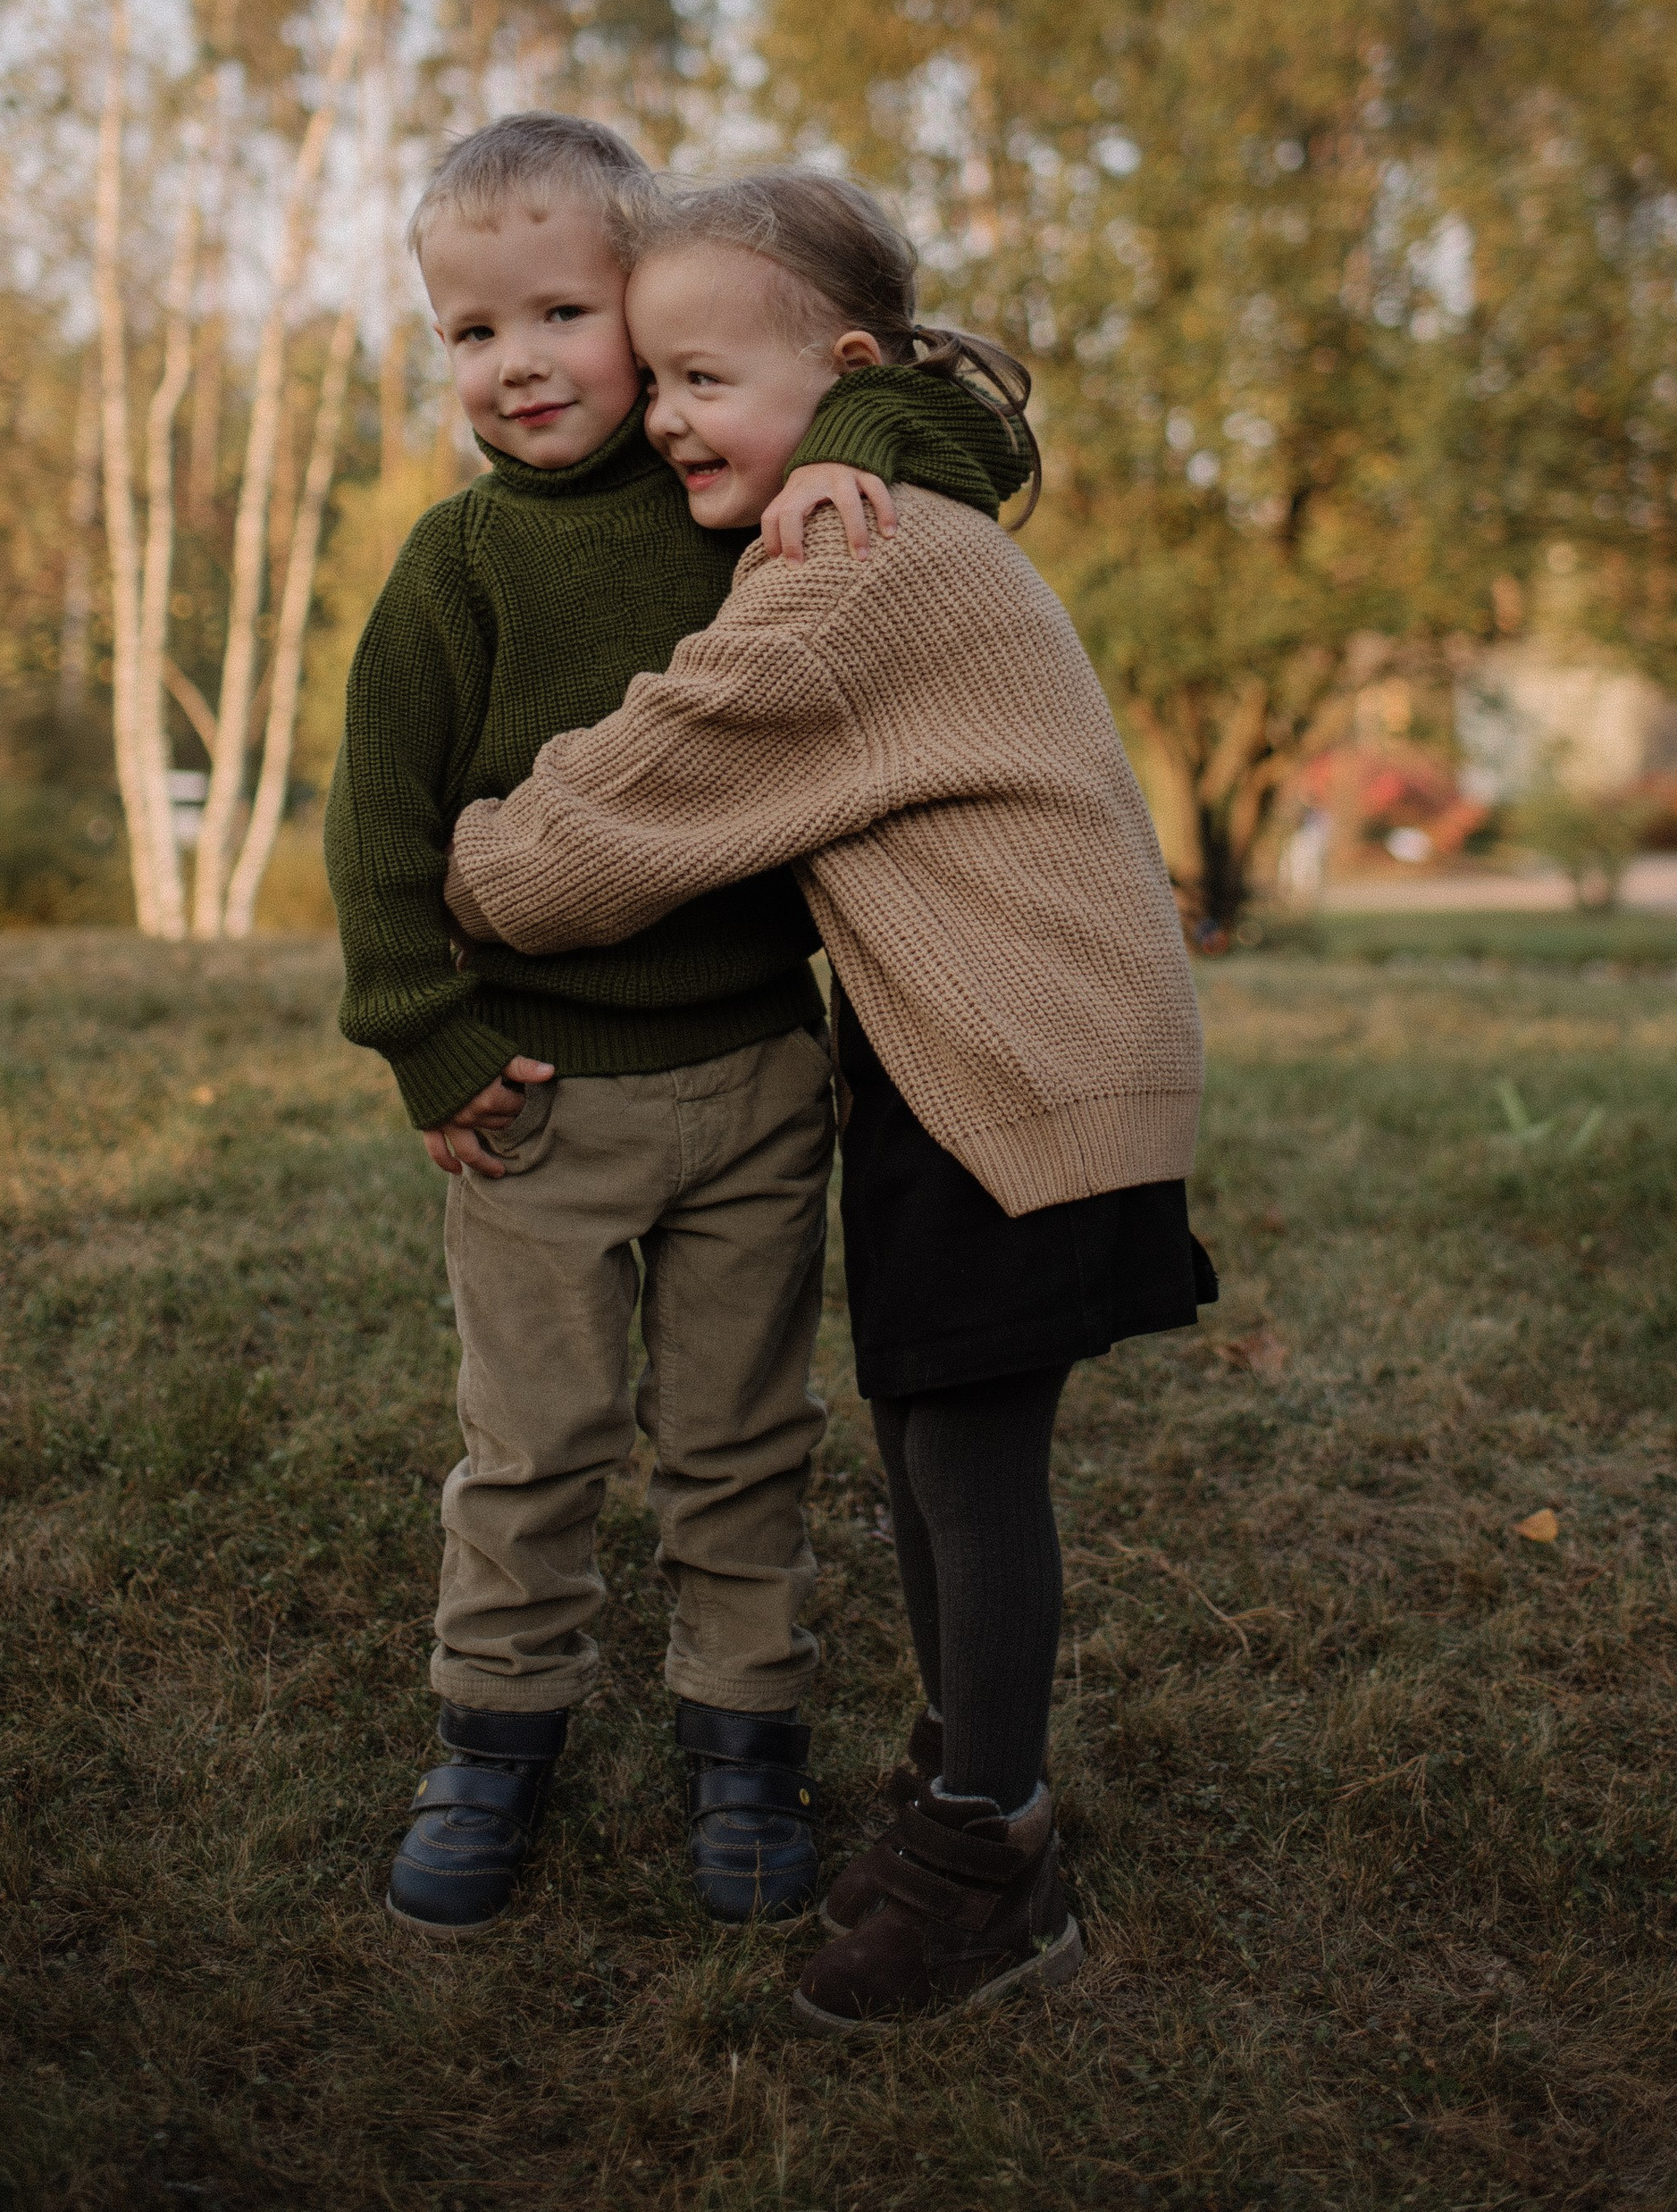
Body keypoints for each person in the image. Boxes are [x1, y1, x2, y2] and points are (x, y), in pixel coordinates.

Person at [441, 168, 1213, 2032]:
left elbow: (624, 806)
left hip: (1009, 1059)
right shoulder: (888, 487)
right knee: (927, 1437)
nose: (674, 415)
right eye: (661, 378)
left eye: (703, 376)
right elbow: (937, 400)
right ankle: (970, 1778)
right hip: (976, 1051)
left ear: (844, 376)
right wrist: (838, 419)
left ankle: (989, 1848)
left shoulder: (845, 563)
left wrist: (455, 866)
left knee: (963, 1460)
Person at [324, 113, 1024, 1940]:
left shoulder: (735, 491)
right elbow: (376, 827)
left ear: (641, 320)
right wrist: (426, 1040)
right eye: (471, 332)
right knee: (536, 1437)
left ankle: (743, 1745)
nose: (519, 363)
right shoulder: (454, 564)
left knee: (738, 1436)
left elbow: (973, 430)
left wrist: (849, 442)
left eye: (562, 312)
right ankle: (494, 1740)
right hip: (537, 1098)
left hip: (752, 1078)